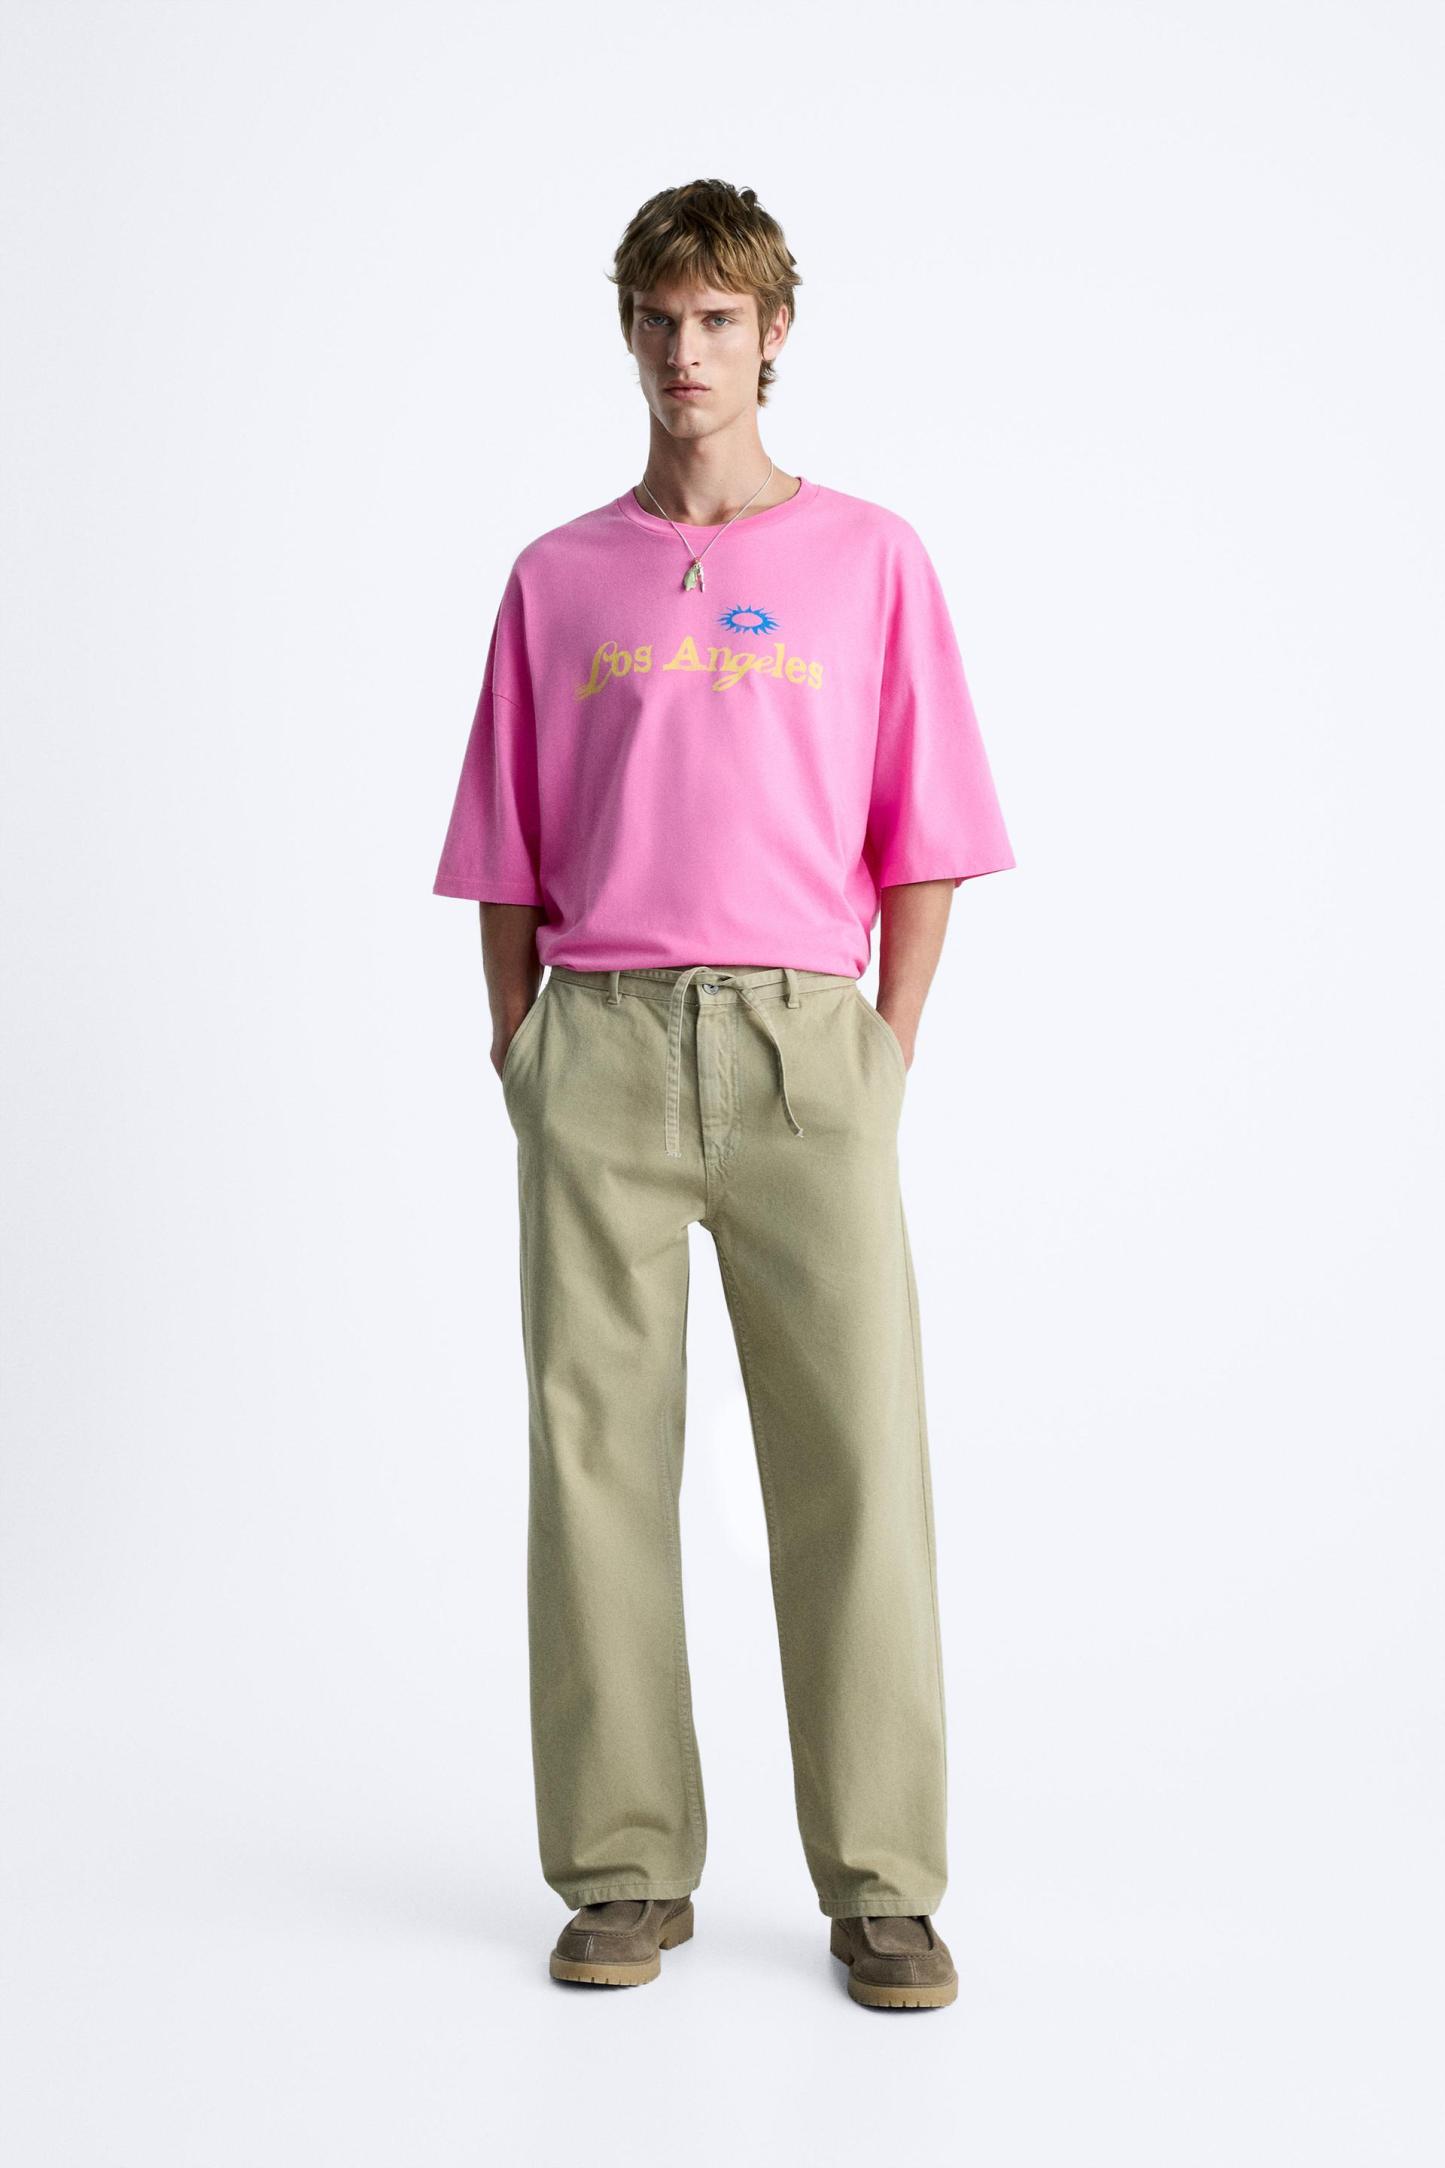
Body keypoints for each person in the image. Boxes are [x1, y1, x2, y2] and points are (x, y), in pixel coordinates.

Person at [432, 178, 1015, 2010]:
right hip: (599, 1041)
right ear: (627, 335)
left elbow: (924, 833)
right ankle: (622, 1869)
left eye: (717, 321)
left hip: (801, 1047)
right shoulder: (556, 577)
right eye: (657, 319)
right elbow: (507, 841)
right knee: (594, 1465)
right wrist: (525, 1046)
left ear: (773, 336)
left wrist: (880, 1044)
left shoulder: (869, 558)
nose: (685, 352)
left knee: (856, 1464)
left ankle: (883, 1885)